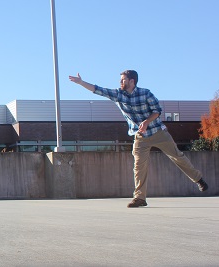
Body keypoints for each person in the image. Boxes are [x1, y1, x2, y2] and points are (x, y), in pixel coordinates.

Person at [69, 70, 208, 208]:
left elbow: (157, 111)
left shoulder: (145, 93)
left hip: (158, 132)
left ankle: (198, 179)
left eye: (123, 80)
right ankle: (140, 198)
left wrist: (146, 122)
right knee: (139, 166)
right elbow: (97, 90)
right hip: (140, 137)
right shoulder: (119, 95)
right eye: (120, 80)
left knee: (177, 156)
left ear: (132, 81)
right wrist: (81, 82)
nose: (120, 82)